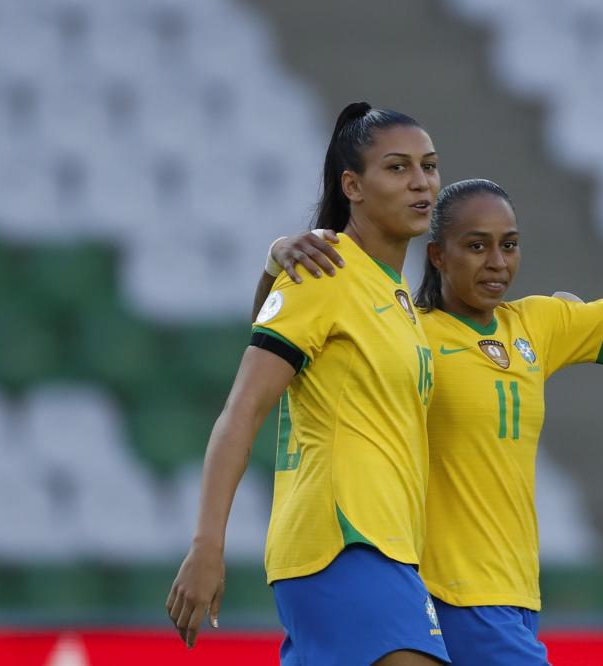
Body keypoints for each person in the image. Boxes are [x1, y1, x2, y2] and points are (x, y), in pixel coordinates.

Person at [263, 132, 603, 664]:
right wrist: (276, 260)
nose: (497, 262)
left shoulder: (538, 325)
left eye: (509, 244)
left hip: (516, 594)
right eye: (476, 246)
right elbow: (280, 347)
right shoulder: (407, 333)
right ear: (437, 254)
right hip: (448, 593)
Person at [167, 102, 451, 666]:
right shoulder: (327, 271)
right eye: (397, 168)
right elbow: (242, 409)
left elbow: (269, 323)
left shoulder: (395, 296)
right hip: (344, 543)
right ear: (353, 185)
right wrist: (206, 544)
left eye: (429, 165)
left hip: (384, 549)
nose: (421, 182)